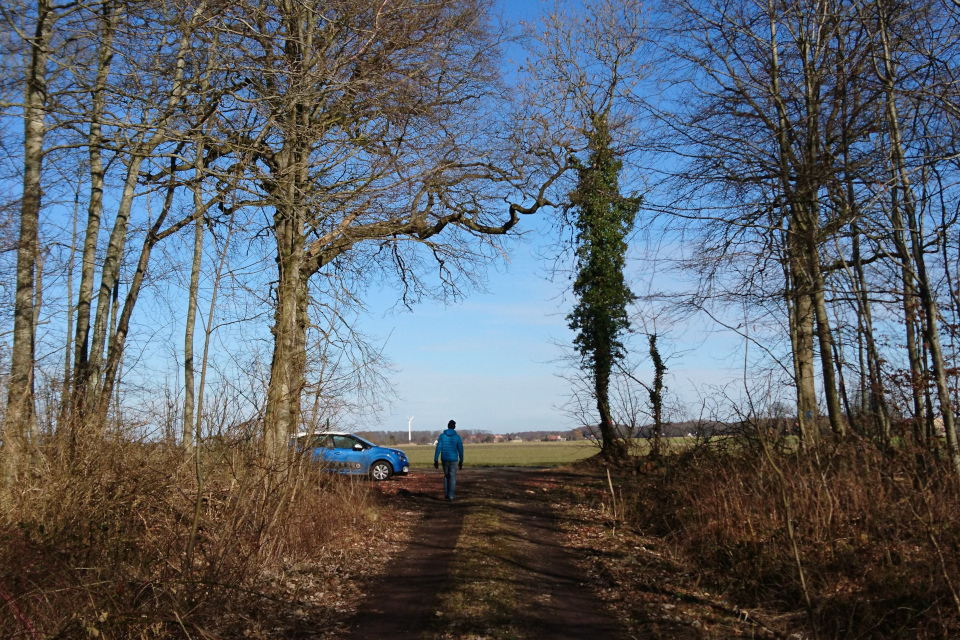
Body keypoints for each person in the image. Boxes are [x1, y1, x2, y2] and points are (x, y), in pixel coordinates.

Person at [434, 419, 464, 500]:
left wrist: (435, 460)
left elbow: (438, 449)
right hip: (454, 459)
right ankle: (451, 495)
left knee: (446, 476)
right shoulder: (457, 437)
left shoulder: (442, 436)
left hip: (444, 459)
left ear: (448, 426)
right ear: (454, 427)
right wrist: (461, 461)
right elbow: (460, 450)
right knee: (453, 477)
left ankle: (446, 494)